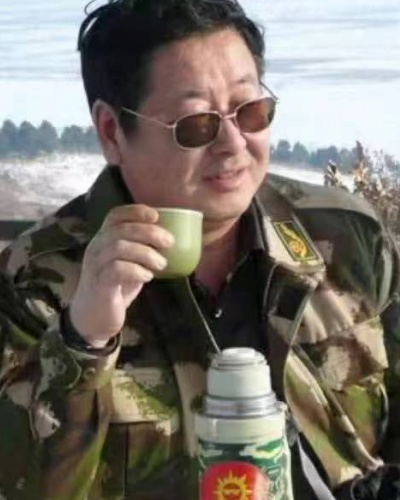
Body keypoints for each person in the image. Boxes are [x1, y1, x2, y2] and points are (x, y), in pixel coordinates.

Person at [1, 0, 400, 498]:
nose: (233, 143)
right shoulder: (34, 282)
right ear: (112, 132)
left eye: (250, 111)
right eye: (196, 124)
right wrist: (83, 341)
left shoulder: (346, 236)